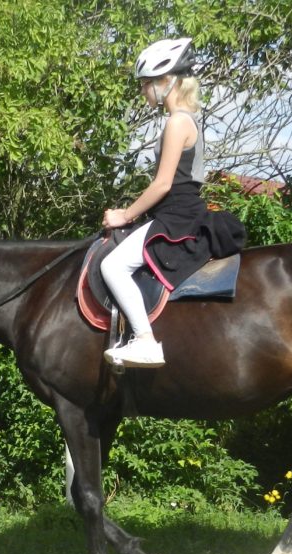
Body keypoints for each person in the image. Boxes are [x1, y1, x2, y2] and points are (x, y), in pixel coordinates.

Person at [99, 36, 244, 367]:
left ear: (166, 82)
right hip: (179, 210)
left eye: (145, 84)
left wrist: (125, 214)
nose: (143, 92)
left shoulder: (177, 122)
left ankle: (145, 340)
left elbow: (163, 183)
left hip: (177, 215)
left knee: (113, 265)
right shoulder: (188, 118)